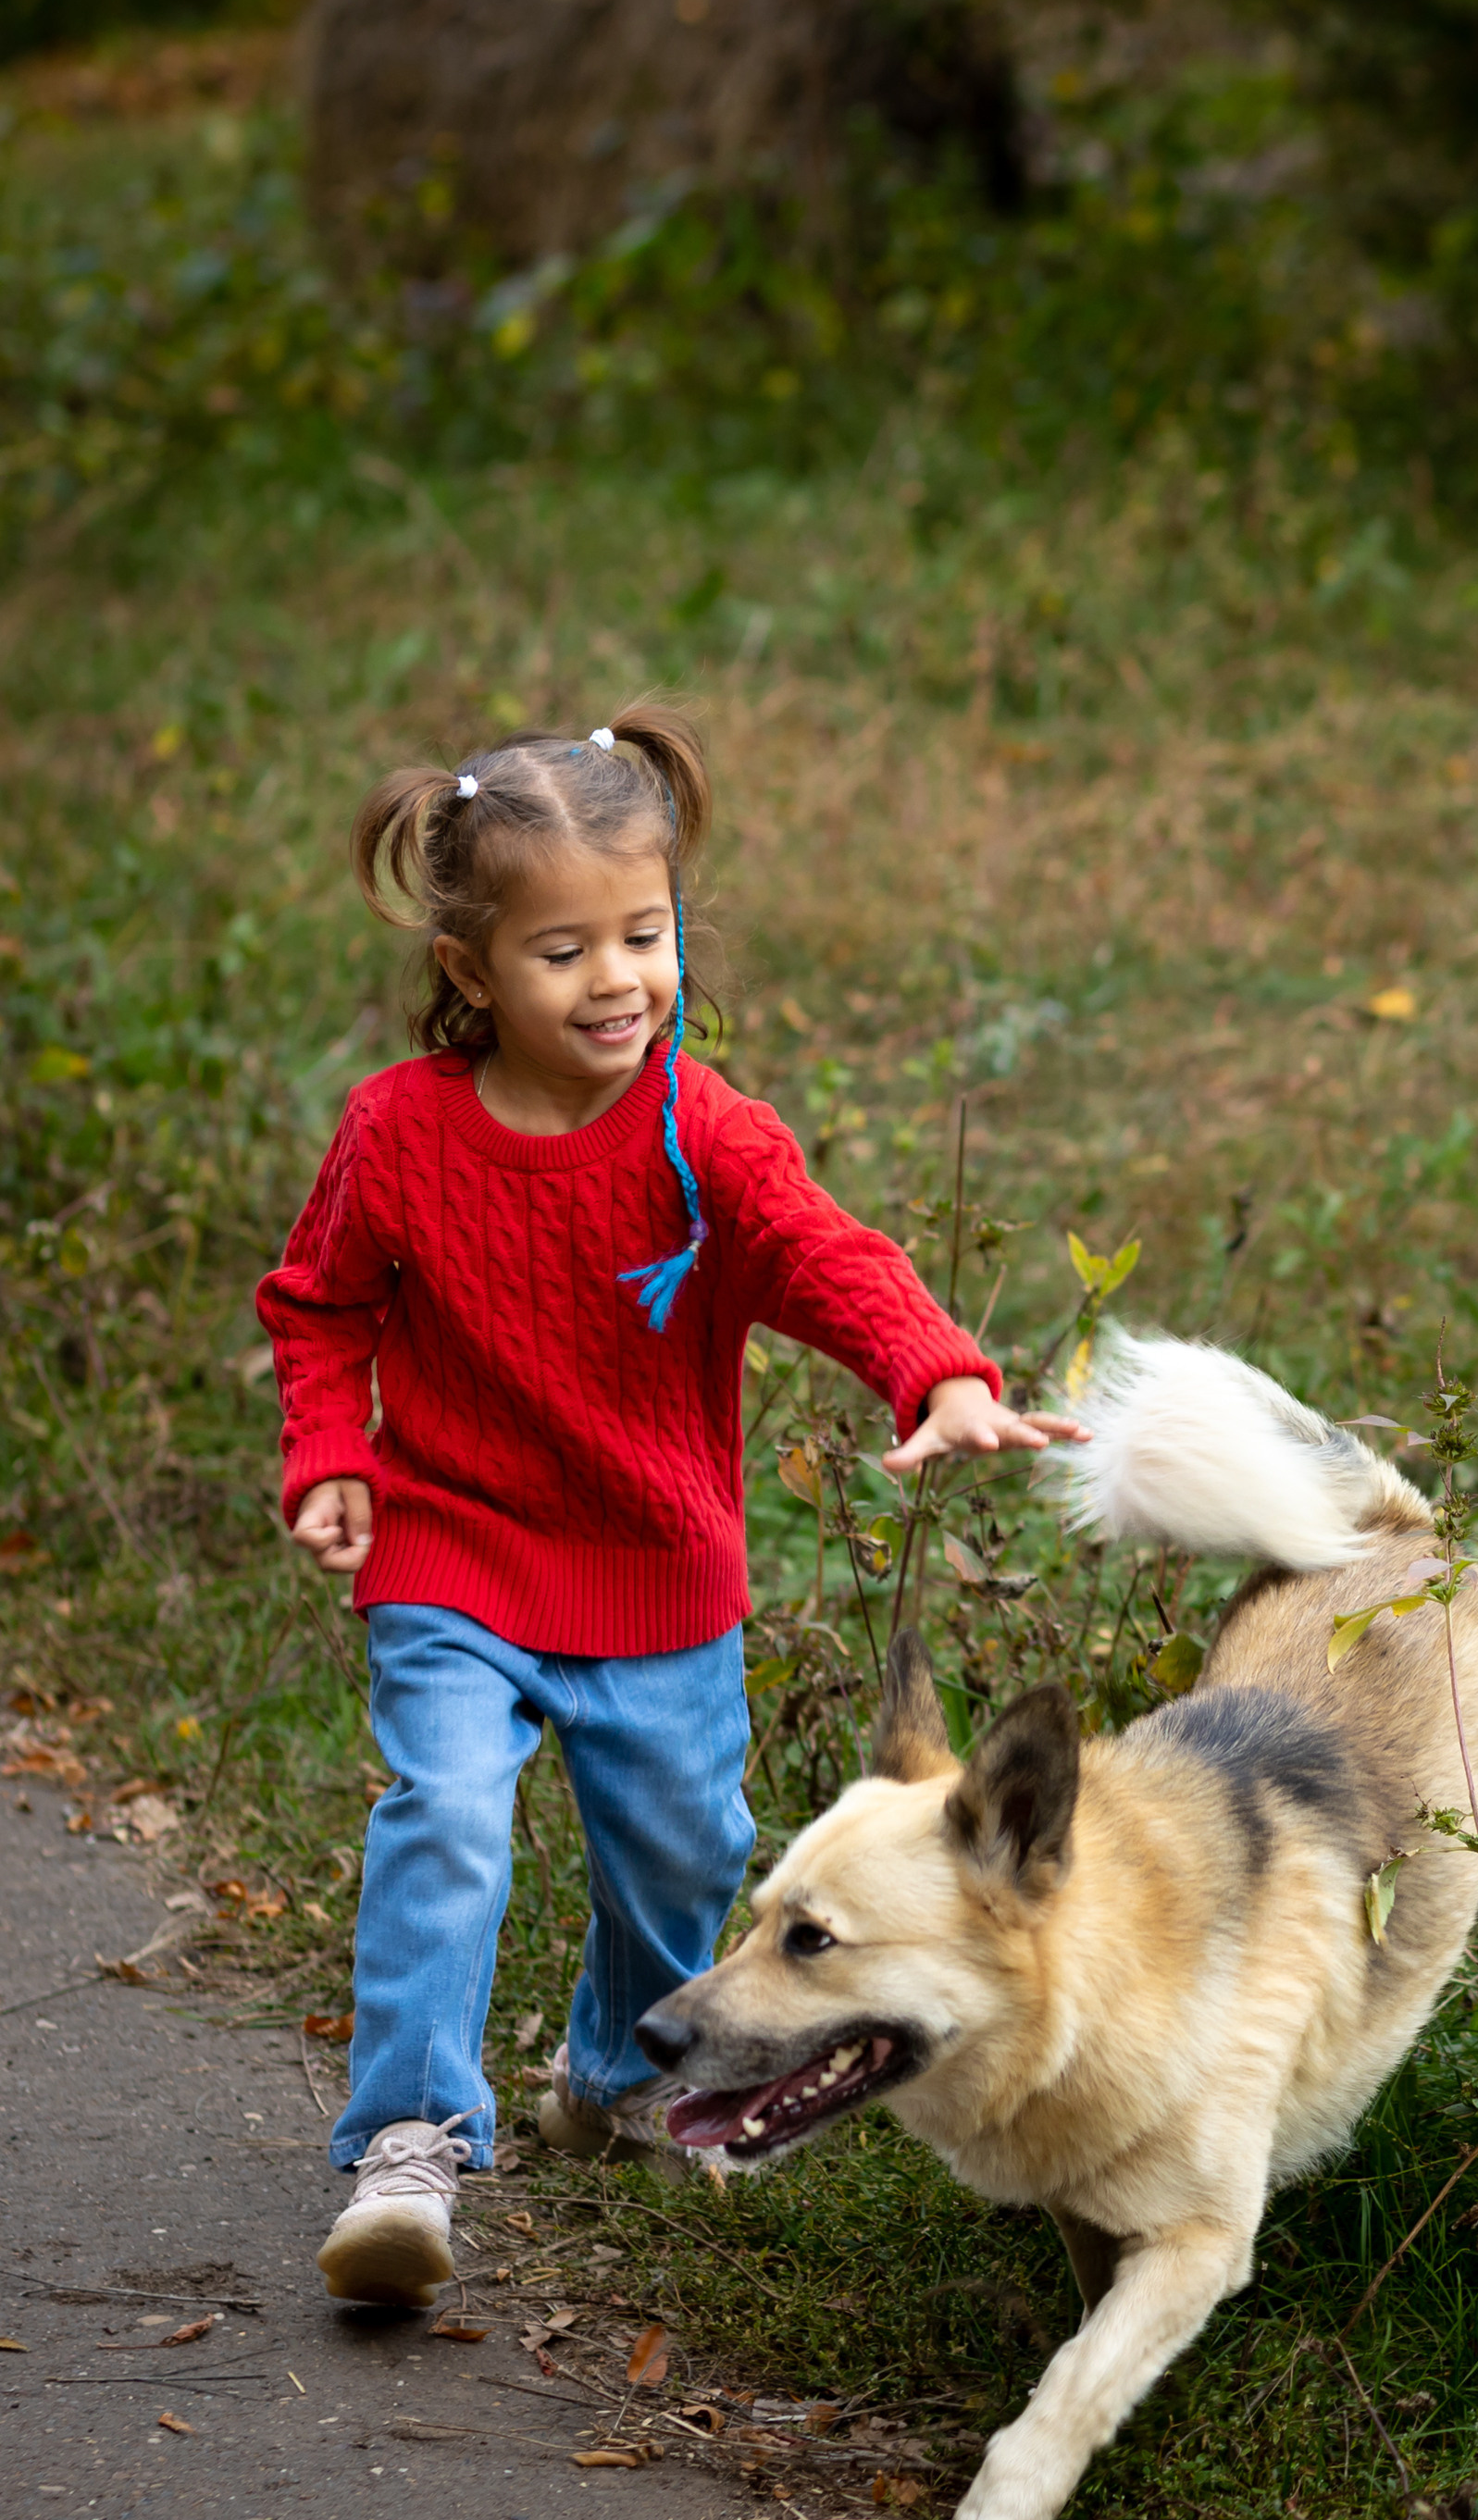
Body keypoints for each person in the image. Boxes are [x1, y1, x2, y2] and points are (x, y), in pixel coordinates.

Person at [257, 703, 1080, 2308]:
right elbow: (319, 1305)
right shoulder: (399, 1134)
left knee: (687, 1858)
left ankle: (618, 2075)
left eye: (645, 933)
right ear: (470, 972)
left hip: (658, 1576)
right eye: (562, 949)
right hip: (455, 1551)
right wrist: (329, 1452)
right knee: (443, 1820)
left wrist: (941, 1376)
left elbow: (830, 1256)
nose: (617, 978)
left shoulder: (705, 1135)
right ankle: (409, 2149)